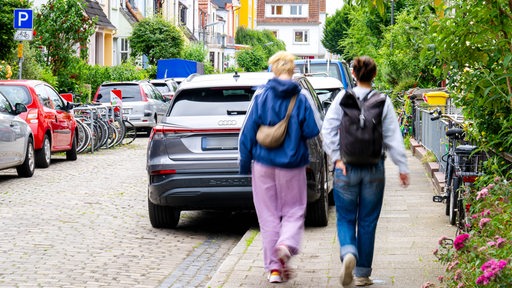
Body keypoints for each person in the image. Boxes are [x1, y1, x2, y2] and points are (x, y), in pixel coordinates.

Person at [321, 56, 410, 287]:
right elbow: (392, 136)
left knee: (346, 217)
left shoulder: (342, 97)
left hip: (346, 168)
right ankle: (362, 274)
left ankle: (349, 251)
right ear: (375, 75)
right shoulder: (383, 101)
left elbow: (327, 129)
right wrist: (402, 166)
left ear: (353, 73)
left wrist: (336, 158)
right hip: (374, 168)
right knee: (368, 221)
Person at [238, 51, 321, 283]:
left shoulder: (261, 96)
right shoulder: (301, 97)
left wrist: (245, 163)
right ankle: (286, 244)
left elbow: (247, 133)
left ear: (272, 70)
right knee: (294, 209)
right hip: (292, 165)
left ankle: (274, 269)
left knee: (268, 216)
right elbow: (313, 131)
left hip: (263, 164)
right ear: (292, 69)